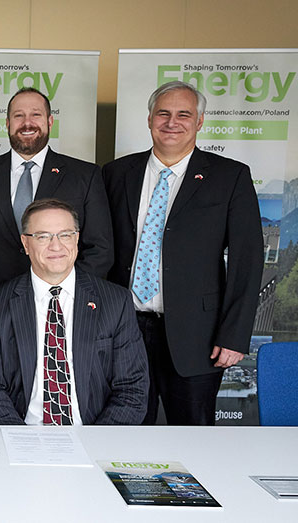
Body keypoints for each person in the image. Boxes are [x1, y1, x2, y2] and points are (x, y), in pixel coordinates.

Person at [103, 80, 264, 425]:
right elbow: (101, 250)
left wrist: (234, 336)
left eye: (183, 114)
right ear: (149, 119)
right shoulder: (116, 173)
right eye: (163, 113)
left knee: (194, 436)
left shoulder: (230, 176)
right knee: (124, 431)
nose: (171, 122)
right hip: (124, 329)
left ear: (200, 121)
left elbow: (247, 261)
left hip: (197, 335)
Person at [0, 199, 148, 425]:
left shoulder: (115, 302)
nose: (56, 246)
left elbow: (132, 388)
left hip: (94, 433)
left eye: (65, 235)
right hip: (24, 431)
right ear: (26, 243)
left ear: (77, 239)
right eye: (43, 236)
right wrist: (20, 438)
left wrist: (98, 440)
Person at [0, 87, 113, 327]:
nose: (27, 123)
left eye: (36, 115)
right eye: (19, 115)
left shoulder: (85, 176)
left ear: (50, 121)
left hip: (63, 315)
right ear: (7, 123)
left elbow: (100, 249)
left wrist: (62, 299)